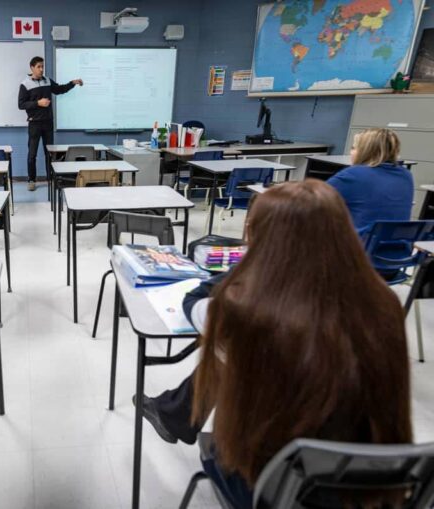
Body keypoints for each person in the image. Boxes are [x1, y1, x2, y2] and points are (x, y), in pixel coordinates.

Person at [141, 180, 412, 508]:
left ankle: (176, 413)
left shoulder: (246, 309)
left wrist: (242, 273)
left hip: (278, 488)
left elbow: (195, 306)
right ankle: (175, 412)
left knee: (228, 352)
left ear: (260, 238)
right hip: (373, 485)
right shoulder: (384, 304)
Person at [327, 127, 413, 235]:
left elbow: (311, 201)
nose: (351, 152)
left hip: (359, 248)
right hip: (399, 248)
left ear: (365, 151)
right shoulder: (406, 175)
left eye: (354, 148)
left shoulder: (353, 174)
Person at [18, 56, 83, 191]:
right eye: (38, 67)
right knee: (32, 154)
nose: (41, 69)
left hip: (48, 123)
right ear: (32, 68)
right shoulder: (25, 84)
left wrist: (72, 83)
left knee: (50, 154)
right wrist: (38, 103)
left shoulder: (47, 80)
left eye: (42, 67)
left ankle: (50, 179)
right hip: (34, 124)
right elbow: (21, 104)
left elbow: (59, 89)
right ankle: (31, 180)